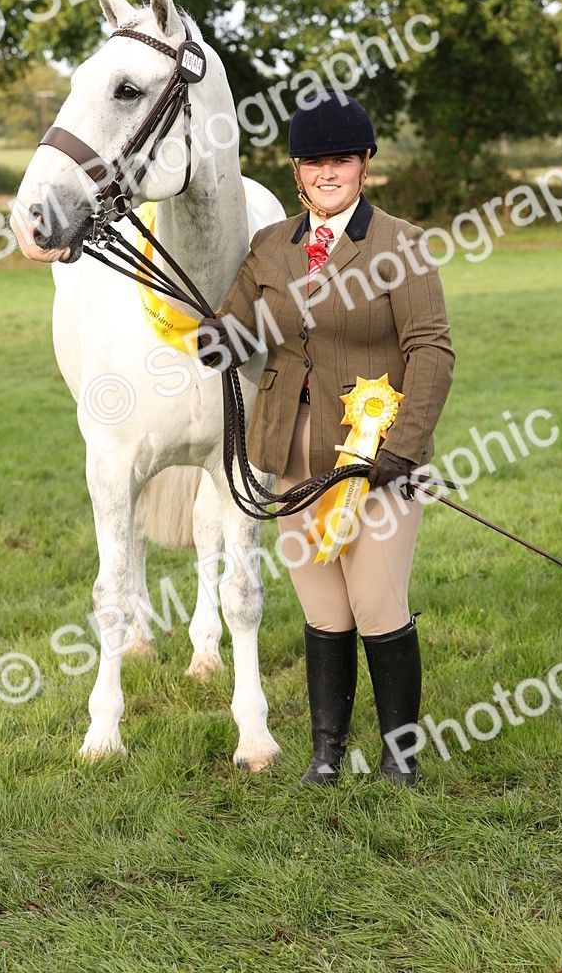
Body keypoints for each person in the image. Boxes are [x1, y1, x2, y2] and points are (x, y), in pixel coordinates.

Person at [198, 88, 454, 786]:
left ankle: (401, 757)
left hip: (375, 457)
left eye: (341, 158)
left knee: (374, 601)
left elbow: (432, 349)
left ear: (365, 164)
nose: (327, 172)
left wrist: (402, 448)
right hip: (291, 455)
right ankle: (326, 753)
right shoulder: (270, 246)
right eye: (314, 161)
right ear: (296, 170)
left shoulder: (399, 243)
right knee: (323, 606)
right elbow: (234, 325)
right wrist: (213, 336)